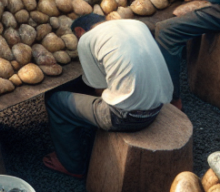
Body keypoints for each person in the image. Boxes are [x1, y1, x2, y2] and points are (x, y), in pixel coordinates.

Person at [42, 14, 173, 179]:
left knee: (54, 100)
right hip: (158, 104)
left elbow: (99, 89)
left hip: (128, 118)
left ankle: (72, 165)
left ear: (79, 31)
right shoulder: (136, 24)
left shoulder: (86, 38)